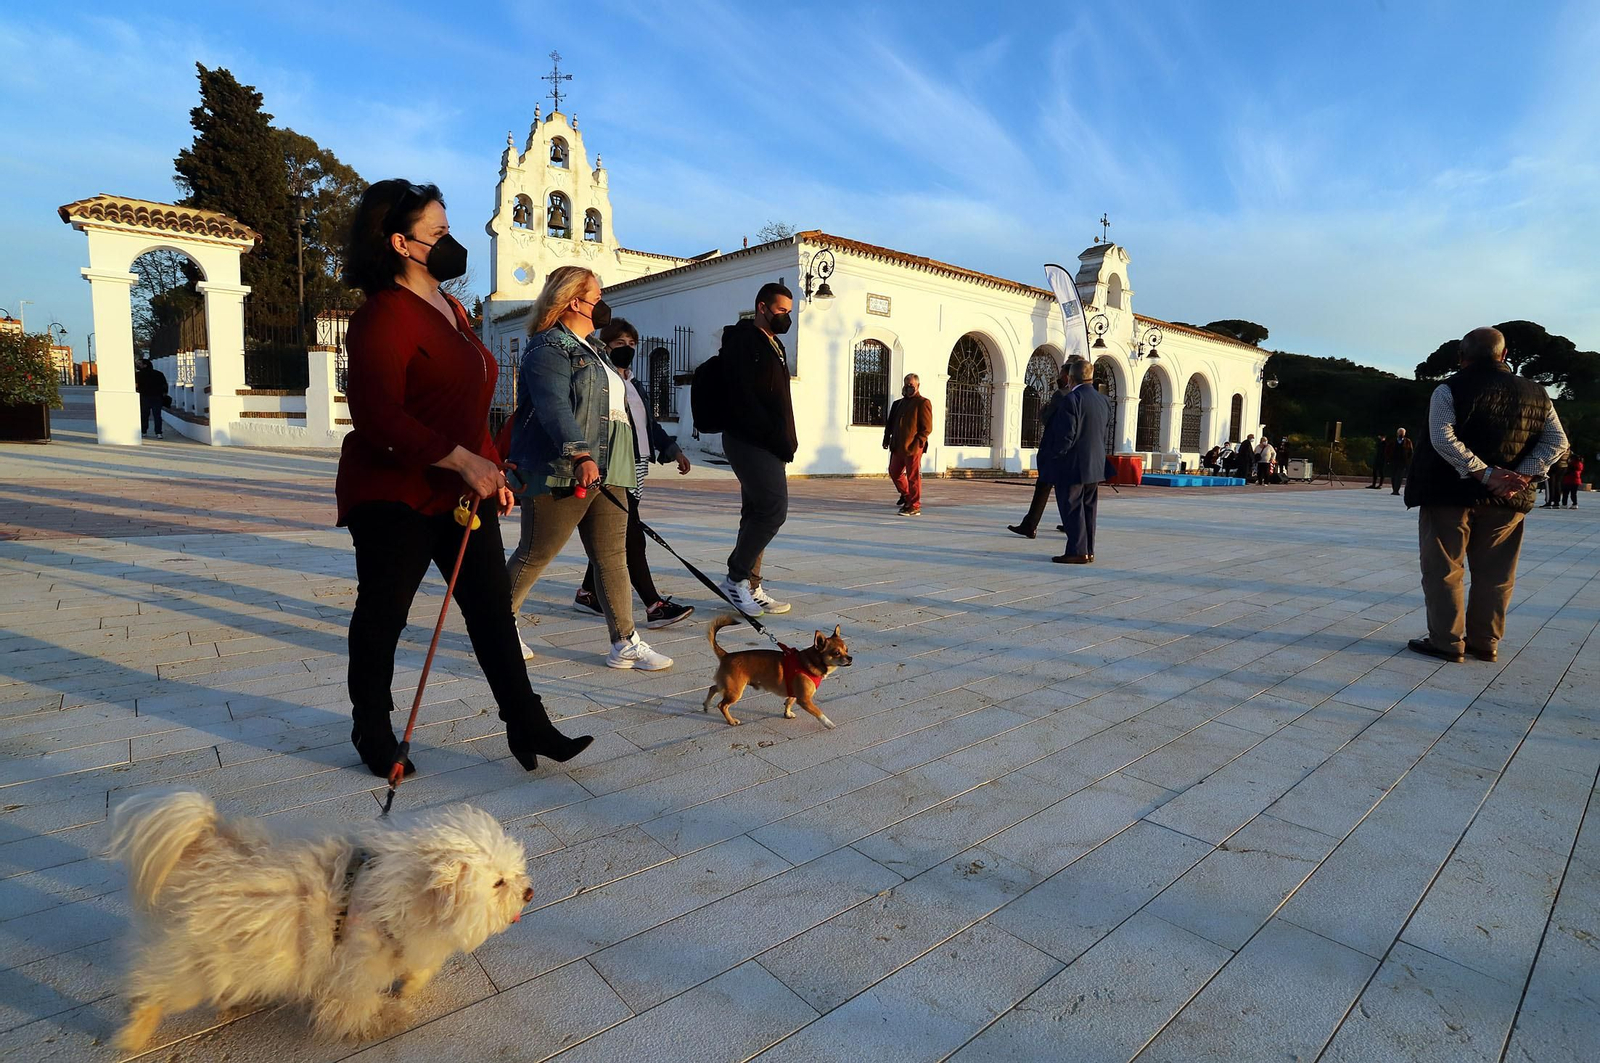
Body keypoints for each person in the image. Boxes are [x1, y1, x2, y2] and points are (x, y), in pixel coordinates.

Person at [335, 179, 591, 776]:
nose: (452, 242)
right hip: (395, 491)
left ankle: (526, 721)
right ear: (401, 243)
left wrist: (489, 466)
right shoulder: (381, 316)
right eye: (439, 233)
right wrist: (460, 459)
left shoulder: (452, 308)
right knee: (383, 617)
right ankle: (372, 730)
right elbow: (376, 415)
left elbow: (469, 404)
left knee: (491, 608)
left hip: (459, 489)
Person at [504, 266, 674, 670]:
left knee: (612, 555)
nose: (602, 303)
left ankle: (625, 641)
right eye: (596, 296)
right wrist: (579, 454)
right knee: (536, 552)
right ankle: (496, 624)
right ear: (573, 300)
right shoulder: (548, 347)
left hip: (612, 464)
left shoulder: (595, 348)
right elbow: (553, 406)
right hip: (564, 465)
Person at [1403, 326, 1567, 664]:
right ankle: (1485, 642)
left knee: (1445, 569)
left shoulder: (1448, 389)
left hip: (1449, 493)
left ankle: (1447, 642)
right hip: (1508, 500)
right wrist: (1519, 475)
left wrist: (1484, 472)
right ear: (1504, 355)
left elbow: (1442, 437)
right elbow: (1558, 442)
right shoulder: (1538, 393)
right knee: (1497, 574)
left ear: (1461, 357)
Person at [570, 318, 695, 629]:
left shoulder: (635, 383)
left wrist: (673, 450)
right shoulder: (602, 379)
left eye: (631, 346)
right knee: (631, 536)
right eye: (619, 345)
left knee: (612, 533)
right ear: (605, 346)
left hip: (637, 465)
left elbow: (648, 426)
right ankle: (653, 605)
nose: (626, 351)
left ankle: (588, 593)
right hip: (614, 466)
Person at [716, 282, 797, 618]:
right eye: (781, 311)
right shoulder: (745, 342)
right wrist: (773, 436)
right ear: (762, 307)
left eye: (789, 313)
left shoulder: (774, 345)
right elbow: (745, 401)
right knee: (773, 510)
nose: (786, 319)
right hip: (749, 440)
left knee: (755, 514)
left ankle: (750, 585)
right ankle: (735, 579)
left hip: (769, 443)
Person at [1042, 358, 1112, 564]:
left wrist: (1056, 455)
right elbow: (1104, 433)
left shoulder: (1072, 399)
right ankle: (1088, 550)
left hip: (1072, 464)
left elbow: (1067, 435)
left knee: (1071, 507)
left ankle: (1077, 550)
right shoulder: (1103, 400)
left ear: (1071, 378)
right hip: (1095, 463)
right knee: (1089, 509)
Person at [1009, 361, 1075, 539]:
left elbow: (1047, 419)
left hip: (1053, 450)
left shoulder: (1061, 395)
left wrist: (1044, 409)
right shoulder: (1077, 396)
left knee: (1045, 486)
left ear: (1067, 376)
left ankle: (1030, 525)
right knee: (1064, 489)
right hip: (1070, 452)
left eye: (1060, 374)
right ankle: (1070, 524)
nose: (1058, 377)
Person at [883, 373, 932, 516]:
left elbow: (927, 428)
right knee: (894, 472)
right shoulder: (898, 404)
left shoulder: (923, 403)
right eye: (906, 385)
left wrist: (918, 443)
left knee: (913, 477)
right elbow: (890, 423)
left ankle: (914, 505)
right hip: (897, 446)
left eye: (911, 385)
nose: (908, 388)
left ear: (917, 386)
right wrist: (886, 438)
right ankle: (906, 495)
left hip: (913, 447)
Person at [136, 358, 168, 439]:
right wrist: (164, 394)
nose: (138, 365)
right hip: (157, 397)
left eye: (140, 364)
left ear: (145, 365)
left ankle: (144, 431)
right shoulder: (159, 374)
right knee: (157, 415)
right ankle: (158, 433)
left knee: (144, 415)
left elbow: (136, 386)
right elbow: (164, 385)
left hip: (144, 397)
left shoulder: (138, 375)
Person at [1389, 427, 1414, 494]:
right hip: (1394, 460)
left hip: (1403, 462)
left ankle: (1396, 490)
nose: (1401, 434)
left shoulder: (1408, 441)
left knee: (1399, 476)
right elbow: (1388, 451)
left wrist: (1408, 460)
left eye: (1402, 433)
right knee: (1393, 476)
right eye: (1400, 433)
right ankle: (1394, 488)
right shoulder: (1393, 441)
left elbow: (1411, 451)